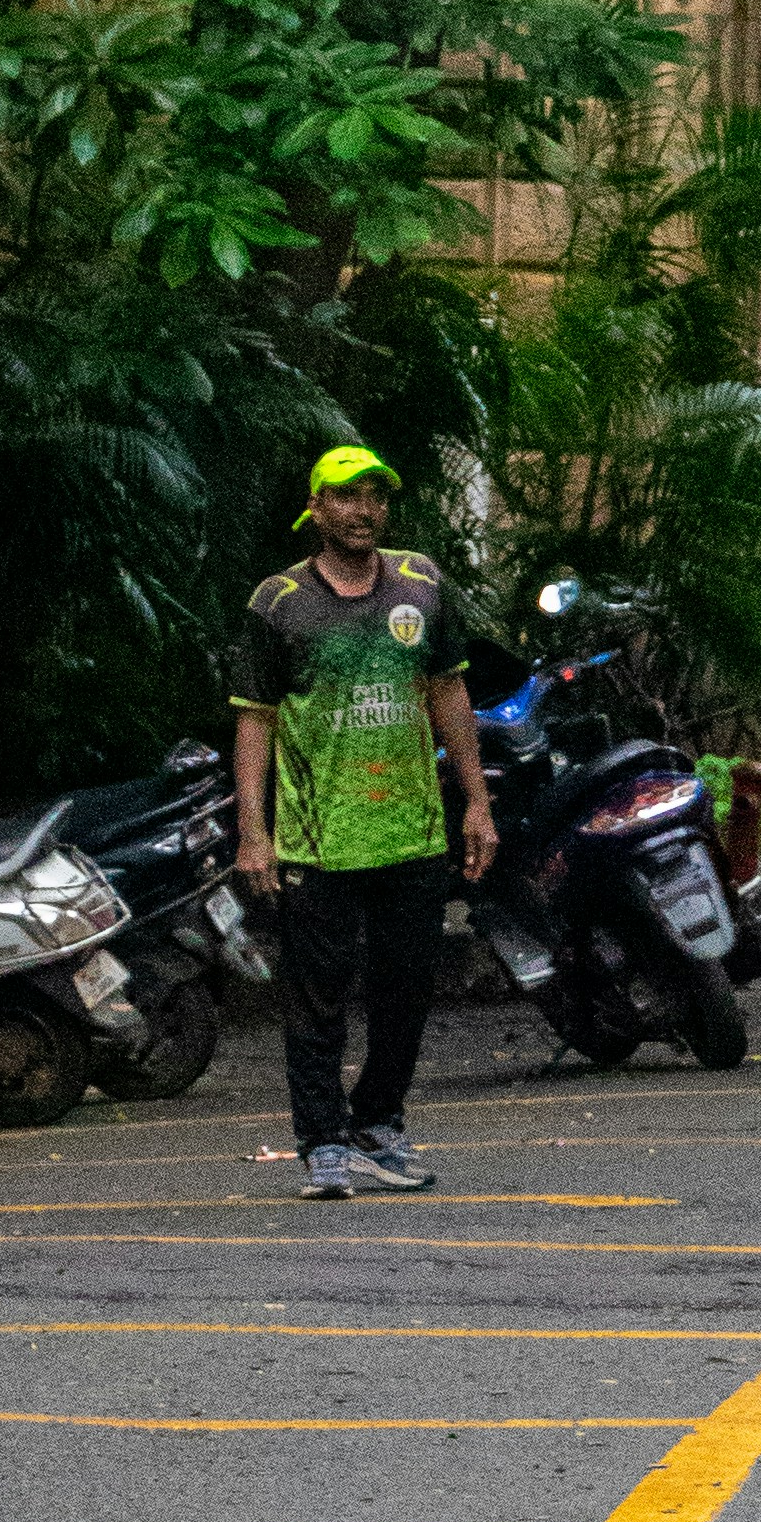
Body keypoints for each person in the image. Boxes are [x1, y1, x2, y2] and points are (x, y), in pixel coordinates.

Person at [232, 444, 495, 1199]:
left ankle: (379, 1125)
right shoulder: (278, 602)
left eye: (375, 496)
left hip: (410, 830)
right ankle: (322, 1143)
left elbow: (448, 694)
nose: (363, 510)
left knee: (405, 990)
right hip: (319, 837)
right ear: (316, 508)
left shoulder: (422, 584)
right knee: (316, 996)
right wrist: (256, 833)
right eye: (346, 497)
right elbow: (256, 722)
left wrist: (476, 801)